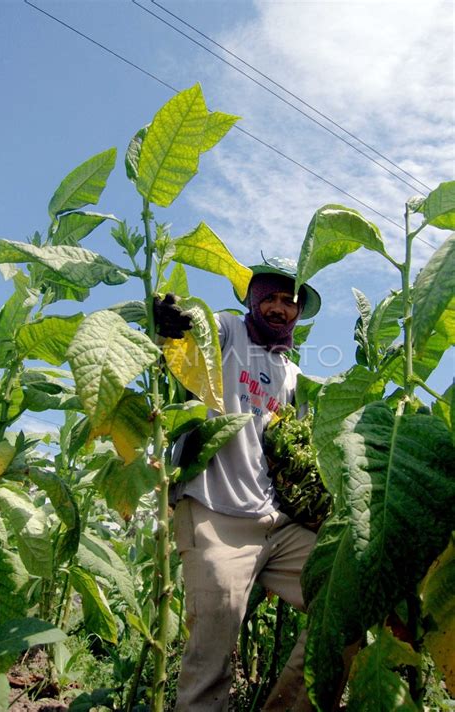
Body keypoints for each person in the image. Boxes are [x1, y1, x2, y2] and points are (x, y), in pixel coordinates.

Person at [155, 258, 321, 712]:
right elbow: (196, 330)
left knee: (342, 599)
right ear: (252, 299)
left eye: (291, 302)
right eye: (270, 296)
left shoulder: (291, 374)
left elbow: (299, 448)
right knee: (210, 662)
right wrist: (172, 320)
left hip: (275, 524)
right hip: (215, 515)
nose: (280, 309)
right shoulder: (230, 331)